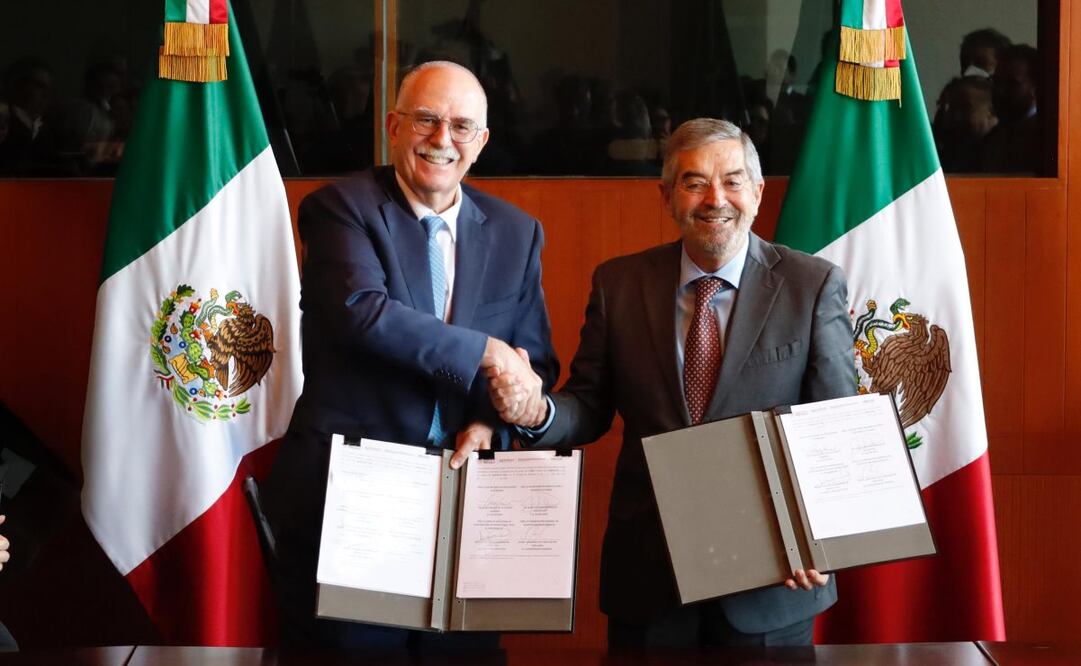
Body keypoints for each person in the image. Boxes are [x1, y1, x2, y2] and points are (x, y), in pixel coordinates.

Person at [492, 118, 856, 649]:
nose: (715, 198)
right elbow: (588, 406)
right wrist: (534, 411)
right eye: (693, 182)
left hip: (771, 580)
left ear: (757, 193)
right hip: (650, 576)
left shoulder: (811, 285)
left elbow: (835, 428)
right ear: (667, 195)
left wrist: (815, 535)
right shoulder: (619, 284)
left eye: (732, 180)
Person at [263, 60, 559, 650]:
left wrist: (489, 420)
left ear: (481, 142)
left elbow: (537, 366)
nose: (442, 139)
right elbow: (362, 314)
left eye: (461, 126)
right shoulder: (338, 209)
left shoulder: (516, 231)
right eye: (426, 119)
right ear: (394, 125)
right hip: (354, 500)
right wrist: (487, 352)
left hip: (462, 506)